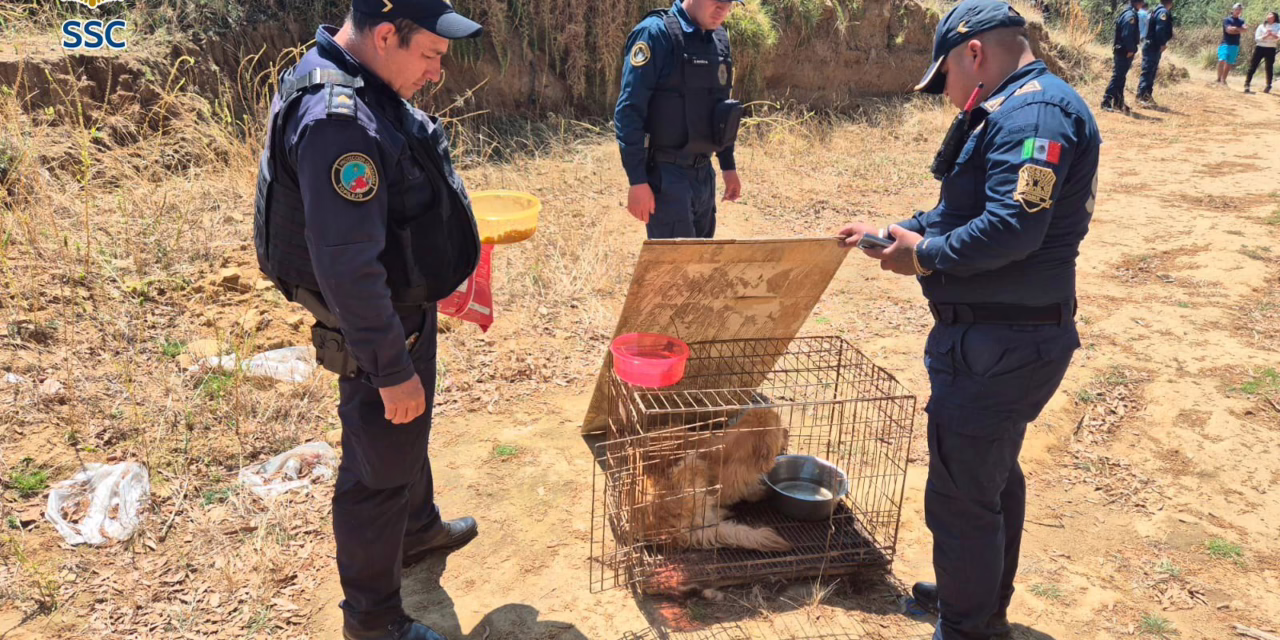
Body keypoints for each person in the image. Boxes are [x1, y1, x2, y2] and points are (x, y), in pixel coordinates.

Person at [838, 0, 1098, 637]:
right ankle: (976, 599)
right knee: (988, 477)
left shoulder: (1033, 112)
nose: (947, 95)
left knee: (961, 495)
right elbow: (966, 209)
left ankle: (969, 624)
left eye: (946, 77)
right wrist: (893, 232)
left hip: (1003, 342)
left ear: (974, 54)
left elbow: (1013, 228)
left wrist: (922, 256)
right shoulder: (1016, 107)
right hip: (1000, 338)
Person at [252, 1, 486, 638]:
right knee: (376, 471)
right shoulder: (338, 122)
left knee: (405, 437)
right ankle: (375, 622)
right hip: (377, 328)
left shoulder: (358, 78)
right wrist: (390, 370)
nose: (437, 74)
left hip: (400, 309)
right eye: (431, 56)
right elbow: (348, 269)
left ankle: (416, 531)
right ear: (387, 35)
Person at [614, 0, 745, 240]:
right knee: (674, 271)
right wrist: (637, 181)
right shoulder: (656, 33)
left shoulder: (718, 39)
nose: (723, 11)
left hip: (704, 175)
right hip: (667, 177)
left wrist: (728, 165)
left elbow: (723, 111)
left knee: (698, 266)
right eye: (718, 1)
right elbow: (629, 110)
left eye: (729, 4)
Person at [1102, 0, 1143, 112]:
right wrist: (1130, 49)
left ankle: (1118, 102)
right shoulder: (1130, 15)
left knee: (1121, 77)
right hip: (1124, 51)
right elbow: (1127, 34)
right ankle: (1106, 102)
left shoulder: (1128, 12)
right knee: (1117, 77)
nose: (1142, 4)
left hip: (1123, 51)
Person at [1136, 0, 1175, 106]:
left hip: (1152, 45)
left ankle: (1147, 96)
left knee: (1151, 71)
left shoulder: (1158, 10)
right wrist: (1162, 43)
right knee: (1148, 71)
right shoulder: (1163, 12)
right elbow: (1160, 29)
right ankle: (1141, 97)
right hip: (1153, 46)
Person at [1244, 11, 1280, 93]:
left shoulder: (1278, 26)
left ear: (1275, 17)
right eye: (1268, 14)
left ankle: (1268, 85)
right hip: (1260, 47)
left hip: (1271, 48)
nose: (1269, 16)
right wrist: (1266, 36)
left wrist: (1272, 35)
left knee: (1269, 67)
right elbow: (1257, 38)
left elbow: (1278, 37)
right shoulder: (1261, 26)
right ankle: (1247, 83)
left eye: (1271, 15)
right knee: (1253, 65)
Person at [1219, 3, 1249, 85]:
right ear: (1233, 10)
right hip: (1225, 43)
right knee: (1222, 60)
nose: (1238, 11)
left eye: (1240, 10)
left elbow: (1245, 30)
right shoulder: (1227, 20)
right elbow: (1228, 30)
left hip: (1235, 44)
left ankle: (1223, 80)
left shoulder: (1242, 21)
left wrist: (1235, 28)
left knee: (1229, 63)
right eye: (1237, 9)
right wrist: (1239, 29)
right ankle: (1218, 78)